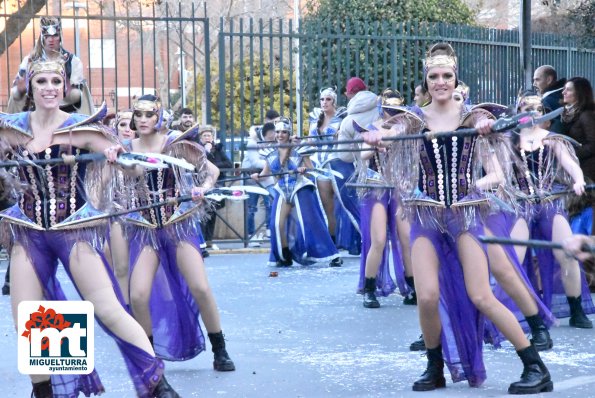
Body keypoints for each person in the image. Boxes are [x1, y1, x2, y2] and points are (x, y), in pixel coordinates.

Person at [363, 43, 553, 394]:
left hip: (465, 215)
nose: (440, 82)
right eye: (433, 76)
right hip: (426, 216)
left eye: (446, 76)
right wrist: (379, 135)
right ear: (426, 79)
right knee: (427, 297)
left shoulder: (472, 115)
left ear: (455, 78)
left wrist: (488, 126)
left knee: (481, 295)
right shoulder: (413, 118)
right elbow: (392, 131)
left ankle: (535, 366)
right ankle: (434, 367)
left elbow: (487, 122)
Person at [0, 60, 179, 398]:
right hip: (28, 232)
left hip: (73, 230)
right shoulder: (11, 129)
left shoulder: (82, 128)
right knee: (28, 317)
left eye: (56, 81)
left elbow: (136, 171)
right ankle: (44, 392)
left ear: (66, 87)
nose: (49, 87)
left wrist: (116, 156)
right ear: (31, 88)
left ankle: (159, 384)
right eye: (42, 81)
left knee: (108, 309)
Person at [110, 94, 236, 371]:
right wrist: (119, 161)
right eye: (138, 114)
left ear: (159, 117)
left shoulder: (174, 143)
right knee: (139, 294)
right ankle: (149, 355)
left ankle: (220, 348)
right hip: (145, 229)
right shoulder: (126, 146)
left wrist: (203, 188)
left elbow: (211, 170)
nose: (142, 120)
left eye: (148, 114)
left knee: (201, 287)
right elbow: (133, 172)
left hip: (177, 225)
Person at [510, 91, 594, 328]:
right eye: (525, 109)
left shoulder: (552, 139)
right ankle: (523, 310)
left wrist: (578, 180)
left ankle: (576, 310)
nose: (531, 114)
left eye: (536, 110)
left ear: (543, 114)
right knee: (513, 259)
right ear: (518, 113)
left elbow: (570, 164)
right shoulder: (508, 140)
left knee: (567, 253)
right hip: (521, 206)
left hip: (549, 204)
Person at [354, 89, 416, 308]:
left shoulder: (406, 128)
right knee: (378, 239)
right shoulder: (373, 128)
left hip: (399, 186)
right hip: (377, 187)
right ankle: (369, 289)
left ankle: (412, 288)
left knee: (407, 237)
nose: (392, 114)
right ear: (382, 108)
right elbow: (363, 155)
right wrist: (375, 142)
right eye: (389, 109)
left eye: (396, 110)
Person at [255, 117, 340, 267]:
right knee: (276, 224)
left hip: (300, 188)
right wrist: (257, 176)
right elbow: (265, 173)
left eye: (284, 132)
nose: (281, 135)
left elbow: (313, 170)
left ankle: (333, 255)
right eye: (278, 132)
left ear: (289, 134)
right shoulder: (269, 152)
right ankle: (285, 254)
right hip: (281, 189)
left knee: (311, 222)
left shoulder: (300, 149)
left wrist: (304, 170)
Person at [7, 17, 93, 115]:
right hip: (36, 114)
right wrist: (20, 90)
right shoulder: (29, 61)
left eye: (55, 35)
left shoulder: (73, 61)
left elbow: (77, 95)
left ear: (60, 36)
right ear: (42, 36)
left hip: (66, 116)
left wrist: (69, 93)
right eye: (47, 36)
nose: (51, 40)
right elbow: (15, 94)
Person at [307, 87, 347, 250]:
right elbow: (310, 142)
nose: (324, 102)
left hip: (337, 163)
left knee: (345, 204)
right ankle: (331, 242)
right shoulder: (315, 118)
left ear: (334, 101)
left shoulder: (342, 118)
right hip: (320, 166)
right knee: (327, 207)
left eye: (328, 99)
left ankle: (352, 239)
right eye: (322, 99)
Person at [198, 125, 233, 250]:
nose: (207, 138)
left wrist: (213, 165)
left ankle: (209, 240)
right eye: (204, 136)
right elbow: (198, 164)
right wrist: (205, 151)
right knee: (201, 213)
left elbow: (229, 164)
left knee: (212, 213)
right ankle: (201, 240)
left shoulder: (218, 150)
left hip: (216, 185)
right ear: (200, 138)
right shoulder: (197, 149)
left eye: (209, 135)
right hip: (201, 185)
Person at [243, 122, 276, 247]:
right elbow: (255, 162)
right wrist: (271, 162)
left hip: (266, 177)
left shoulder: (273, 144)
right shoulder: (253, 143)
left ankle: (269, 231)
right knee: (252, 208)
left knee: (271, 203)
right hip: (252, 178)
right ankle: (251, 235)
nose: (271, 140)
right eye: (269, 137)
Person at [533, 65, 566, 132]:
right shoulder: (561, 95)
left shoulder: (549, 101)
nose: (534, 84)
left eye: (537, 80)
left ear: (549, 80)